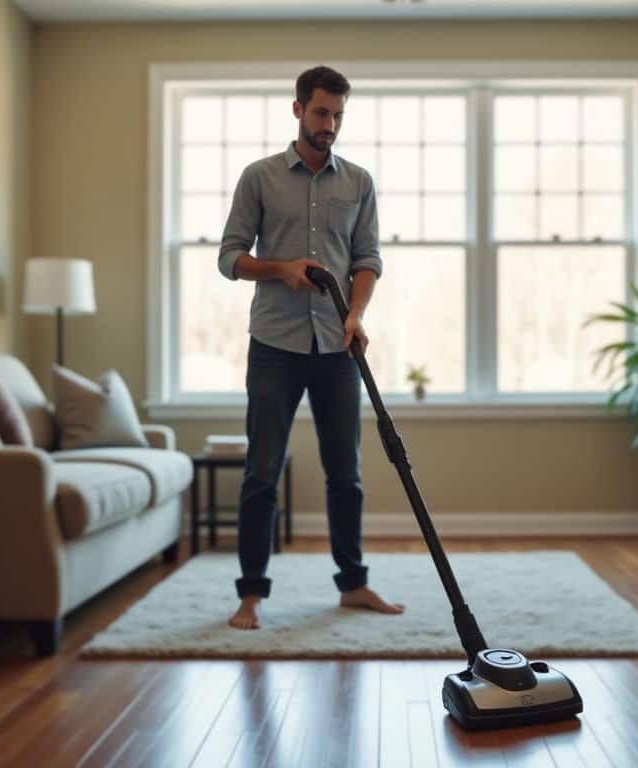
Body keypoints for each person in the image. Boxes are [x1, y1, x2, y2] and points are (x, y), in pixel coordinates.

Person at [217, 65, 405, 630]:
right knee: (262, 471)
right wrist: (282, 269)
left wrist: (355, 313)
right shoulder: (260, 177)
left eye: (339, 115)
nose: (330, 125)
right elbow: (229, 258)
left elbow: (368, 260)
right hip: (274, 344)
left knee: (345, 472)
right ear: (298, 109)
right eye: (322, 112)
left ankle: (353, 585)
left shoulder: (359, 182)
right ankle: (250, 595)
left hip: (338, 349)